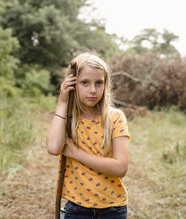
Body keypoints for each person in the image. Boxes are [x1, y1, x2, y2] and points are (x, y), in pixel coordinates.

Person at [46, 52, 130, 219]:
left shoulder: (115, 117)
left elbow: (120, 167)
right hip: (77, 208)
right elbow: (54, 148)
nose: (93, 90)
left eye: (98, 83)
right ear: (72, 84)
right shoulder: (69, 119)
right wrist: (63, 102)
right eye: (84, 83)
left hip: (113, 209)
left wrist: (76, 153)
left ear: (105, 85)